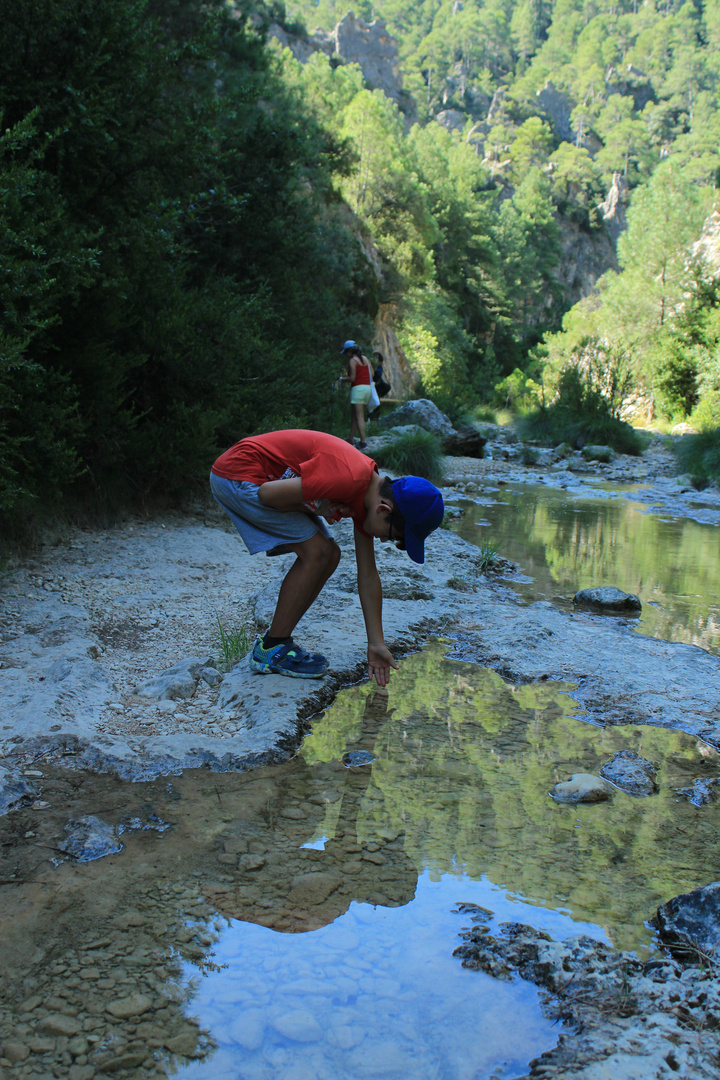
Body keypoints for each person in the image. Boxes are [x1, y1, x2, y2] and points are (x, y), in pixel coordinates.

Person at [210, 429, 444, 686]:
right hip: (239, 475)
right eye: (393, 536)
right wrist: (316, 506)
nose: (385, 541)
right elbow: (267, 494)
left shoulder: (367, 494)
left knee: (331, 554)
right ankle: (271, 648)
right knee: (318, 552)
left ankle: (277, 642)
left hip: (262, 478)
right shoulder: (349, 479)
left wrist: (376, 643)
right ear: (383, 510)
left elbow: (367, 574)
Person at [338, 340, 373, 449]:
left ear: (349, 351)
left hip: (358, 389)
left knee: (359, 416)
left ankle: (363, 442)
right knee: (355, 415)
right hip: (367, 388)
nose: (345, 355)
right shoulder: (366, 359)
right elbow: (372, 374)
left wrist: (341, 379)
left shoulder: (353, 361)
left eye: (346, 353)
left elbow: (352, 378)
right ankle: (350, 438)